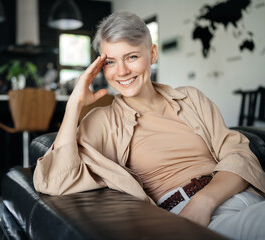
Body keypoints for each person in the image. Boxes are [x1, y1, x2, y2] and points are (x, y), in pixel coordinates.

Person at [33, 11, 265, 240]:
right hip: (189, 214)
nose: (121, 71)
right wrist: (74, 104)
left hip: (236, 196)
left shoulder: (191, 98)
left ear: (152, 54)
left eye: (132, 57)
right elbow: (55, 180)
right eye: (110, 62)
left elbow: (239, 154)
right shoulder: (102, 121)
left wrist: (204, 201)